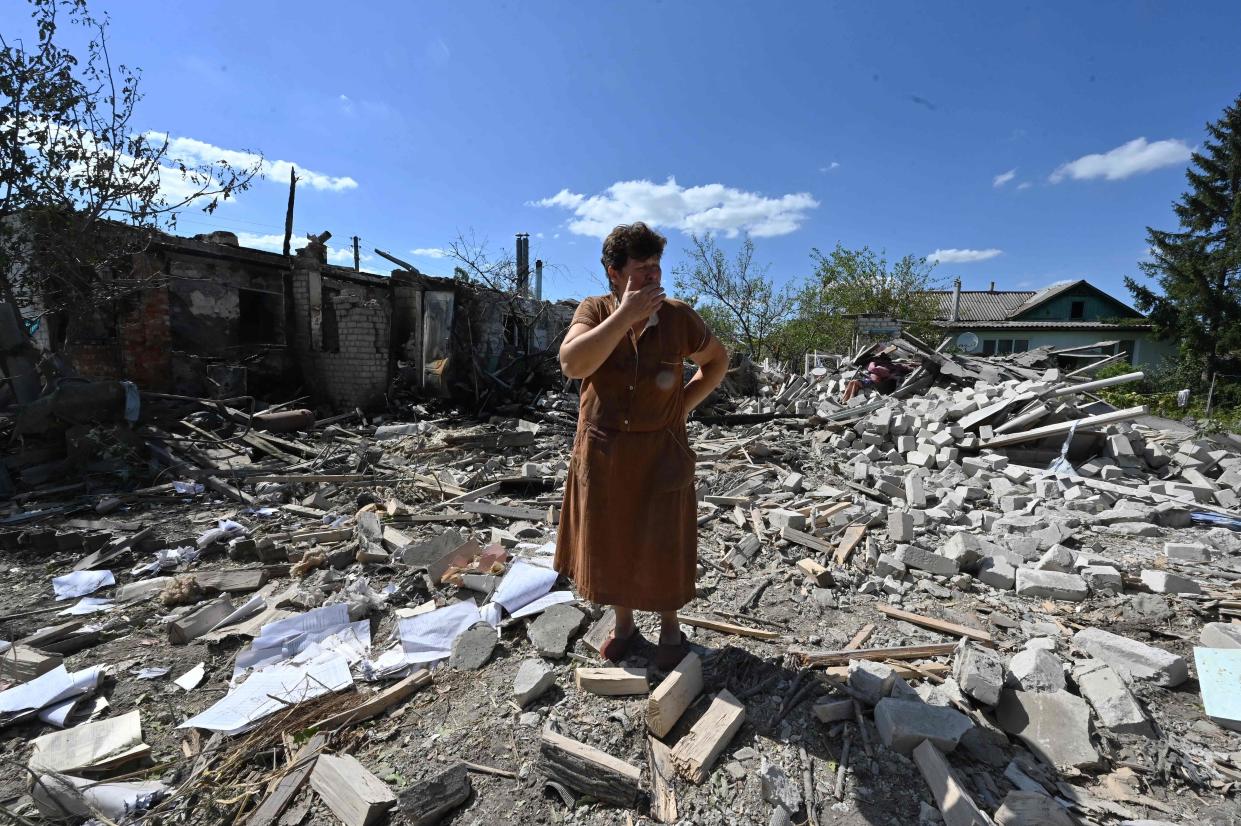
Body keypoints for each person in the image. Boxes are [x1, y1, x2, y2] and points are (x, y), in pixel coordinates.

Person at [555, 222, 729, 669]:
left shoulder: (677, 316)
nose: (653, 277)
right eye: (640, 269)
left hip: (662, 449)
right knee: (611, 537)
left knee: (663, 538)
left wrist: (681, 406)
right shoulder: (594, 311)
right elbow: (574, 364)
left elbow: (716, 362)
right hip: (604, 449)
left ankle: (670, 629)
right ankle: (625, 625)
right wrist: (623, 317)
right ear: (614, 273)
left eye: (656, 267)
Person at [841, 350, 912, 402]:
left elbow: (905, 370)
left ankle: (849, 400)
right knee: (853, 382)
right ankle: (844, 400)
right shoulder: (875, 364)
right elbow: (872, 369)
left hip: (876, 383)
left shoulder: (893, 367)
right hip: (872, 381)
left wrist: (890, 375)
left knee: (855, 383)